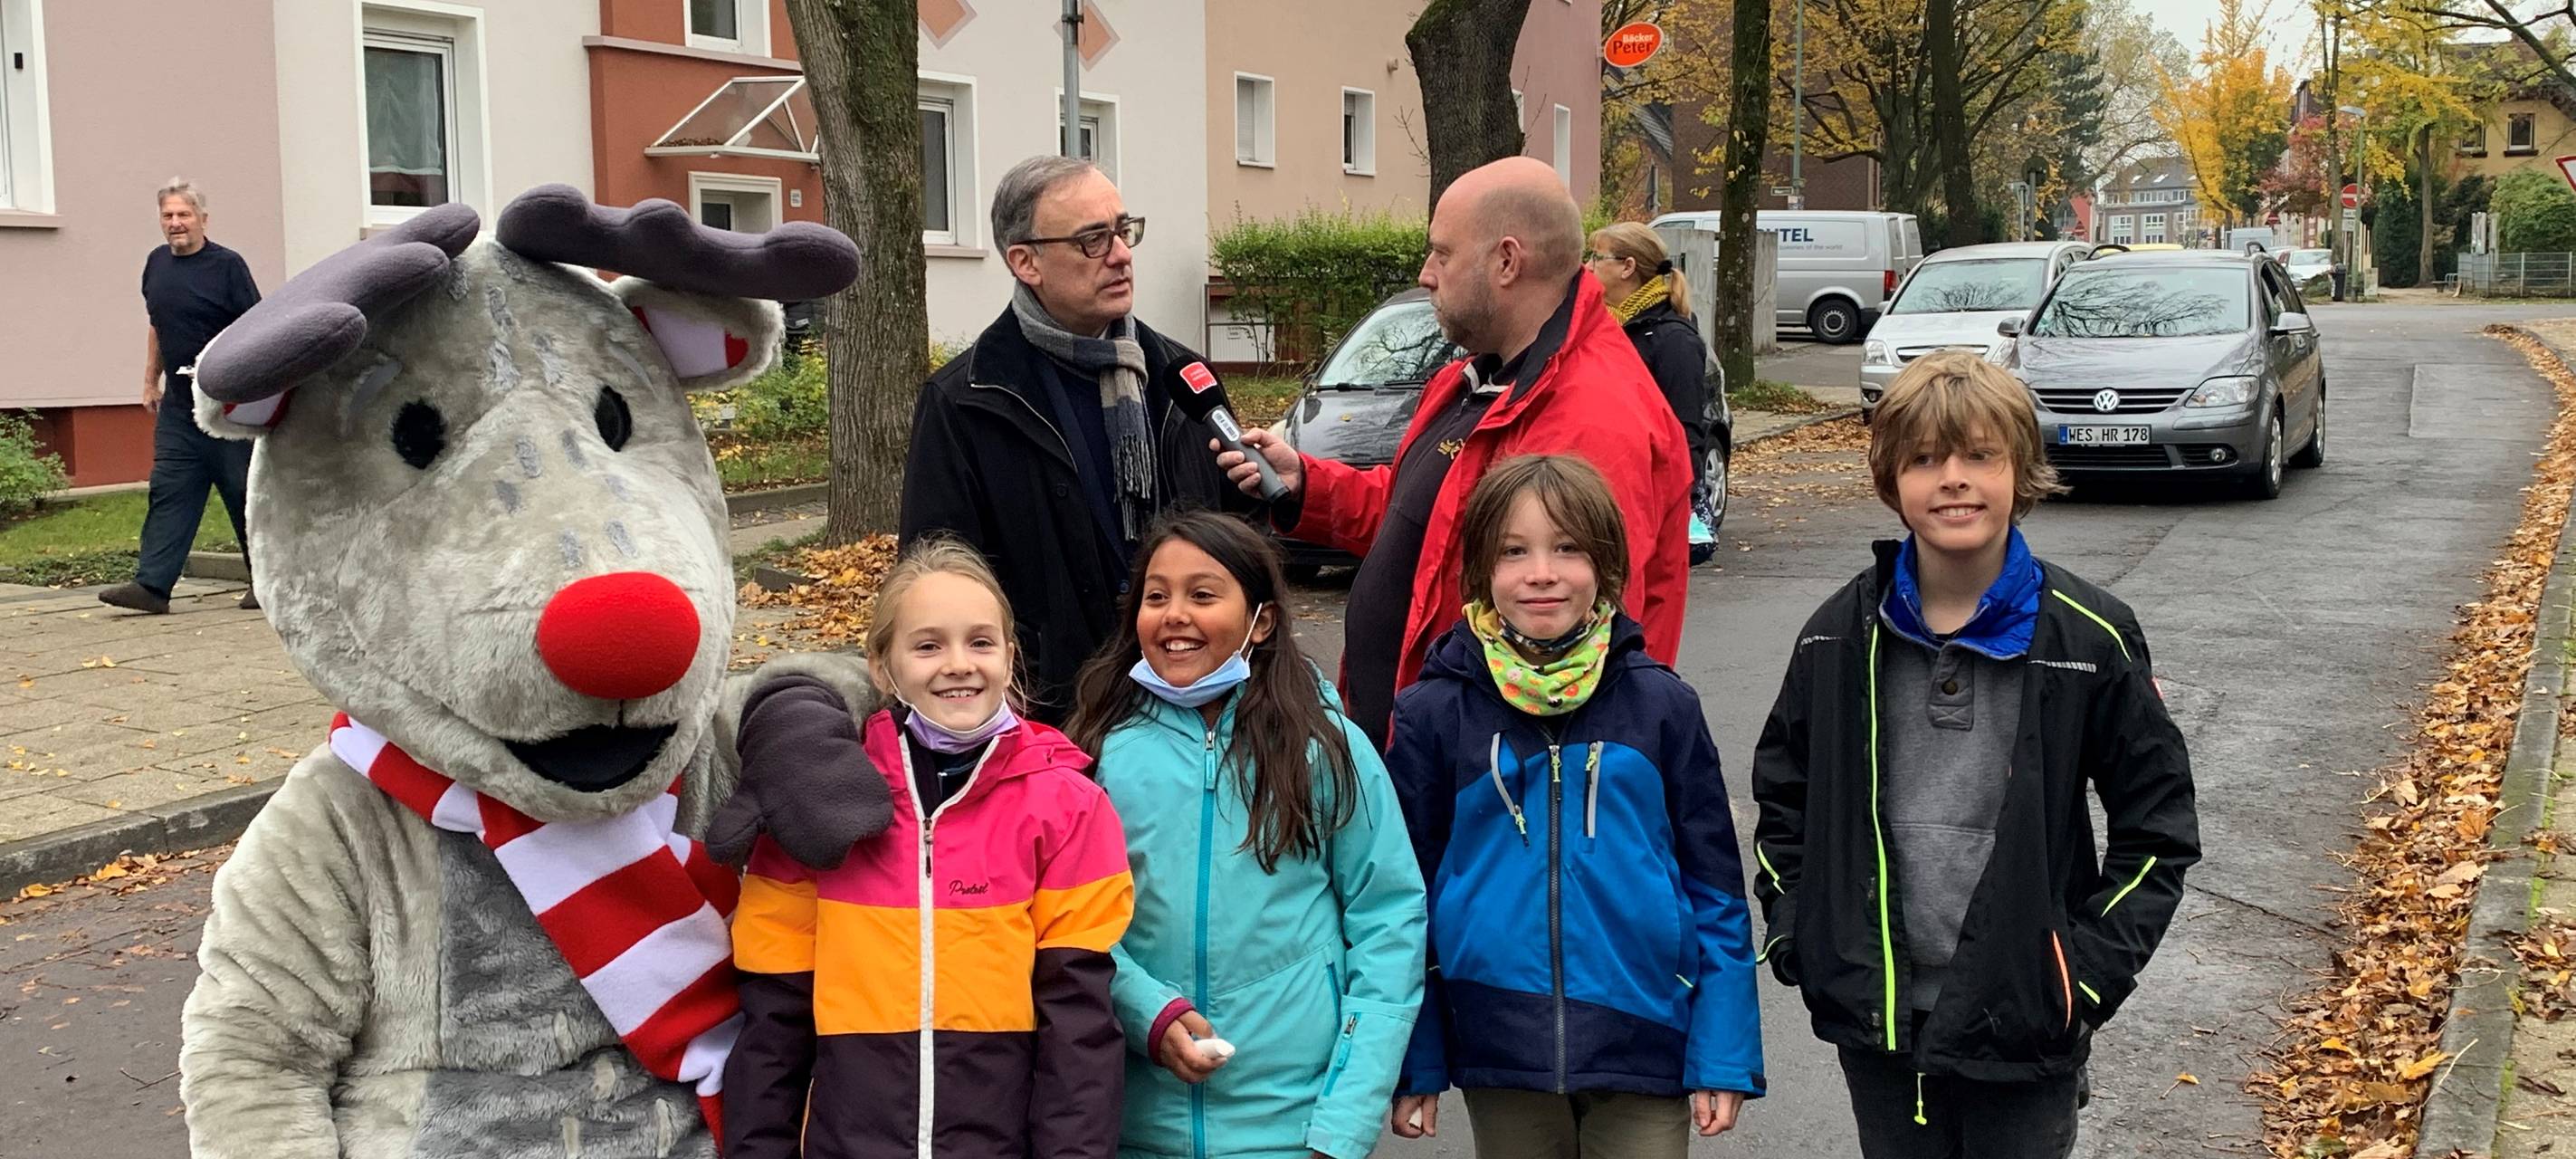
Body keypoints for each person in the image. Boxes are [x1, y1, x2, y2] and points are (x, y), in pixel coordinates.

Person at [1750, 353, 2200, 1159]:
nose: (1953, 479)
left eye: (1980, 457)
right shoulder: (1835, 634)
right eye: (1925, 459)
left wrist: (2081, 976)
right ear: (1892, 480)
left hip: (2025, 1019)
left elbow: (2158, 827)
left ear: (2020, 469)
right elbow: (1785, 797)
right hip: (1879, 1019)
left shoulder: (2087, 637)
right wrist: (1799, 934)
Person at [1221, 157, 1693, 750]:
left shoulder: (1593, 418)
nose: (1425, 273)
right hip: (1415, 750)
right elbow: (1426, 529)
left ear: (1505, 261)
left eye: (1442, 253)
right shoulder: (1475, 383)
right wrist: (1306, 484)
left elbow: (1580, 645)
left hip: (1484, 780)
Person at [1383, 454, 1762, 1157]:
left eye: (1567, 549)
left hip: (1645, 1035)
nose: (1542, 573)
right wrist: (1418, 1056)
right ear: (1482, 572)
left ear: (1606, 565)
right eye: (1514, 552)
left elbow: (1715, 891)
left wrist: (1724, 1051)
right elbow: (1406, 904)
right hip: (1500, 1041)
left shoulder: (1662, 707)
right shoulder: (1433, 713)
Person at [725, 538, 1133, 1159]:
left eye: (980, 641)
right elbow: (772, 1024)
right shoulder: (816, 805)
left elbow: (1078, 1029)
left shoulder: (1069, 806)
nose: (958, 663)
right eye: (927, 645)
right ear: (881, 666)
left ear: (1009, 655)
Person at [1064, 509, 1426, 1159]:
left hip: (1293, 1128)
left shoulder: (1325, 746)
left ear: (1260, 621)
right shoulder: (1096, 753)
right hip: (1132, 1127)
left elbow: (1389, 922)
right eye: (1156, 595)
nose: (1174, 614)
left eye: (1203, 594)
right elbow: (1069, 925)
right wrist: (1150, 1013)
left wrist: (1343, 1123)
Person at [901, 156, 1247, 724]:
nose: (1121, 254)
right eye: (1092, 240)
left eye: (1122, 230)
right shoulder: (965, 400)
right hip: (1050, 719)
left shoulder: (1182, 377)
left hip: (1194, 704)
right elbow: (936, 583)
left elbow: (1237, 541)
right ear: (1026, 262)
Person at [101, 178, 261, 616]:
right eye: (168, 216)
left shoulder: (228, 267)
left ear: (203, 220)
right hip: (178, 404)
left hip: (226, 403)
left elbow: (255, 329)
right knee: (170, 488)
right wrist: (150, 380)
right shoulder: (156, 265)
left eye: (183, 215)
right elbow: (157, 324)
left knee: (243, 492)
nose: (175, 223)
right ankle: (152, 587)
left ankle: (266, 583)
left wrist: (253, 395)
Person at [1584, 223, 1719, 565]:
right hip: (1606, 485)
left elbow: (1684, 429)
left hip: (1647, 497)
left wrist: (1676, 502)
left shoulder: (1674, 340)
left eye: (1597, 258)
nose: (1588, 267)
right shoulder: (1607, 327)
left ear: (1627, 267)